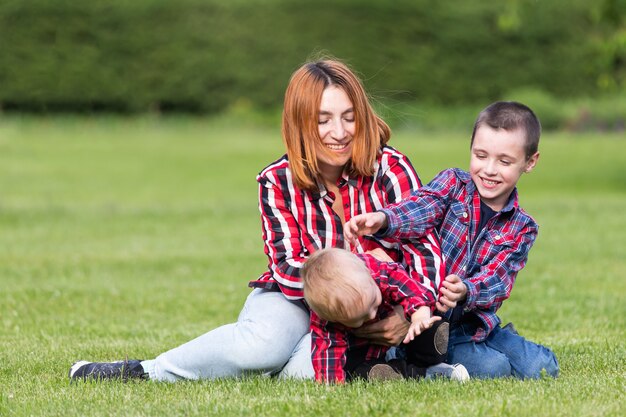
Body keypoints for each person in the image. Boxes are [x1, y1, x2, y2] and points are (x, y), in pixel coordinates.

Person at [69, 58, 450, 382]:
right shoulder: (276, 180)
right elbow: (286, 266)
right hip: (296, 297)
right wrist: (344, 295)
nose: (339, 133)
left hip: (381, 301)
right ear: (301, 124)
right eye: (323, 121)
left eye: (349, 118)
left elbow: (424, 249)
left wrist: (409, 310)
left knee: (308, 372)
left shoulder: (389, 167)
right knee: (261, 348)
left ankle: (327, 358)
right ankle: (146, 370)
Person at [344, 101, 559, 379]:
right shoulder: (452, 184)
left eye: (504, 161)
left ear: (529, 162)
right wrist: (385, 219)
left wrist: (467, 290)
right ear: (471, 149)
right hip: (427, 320)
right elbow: (420, 208)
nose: (489, 170)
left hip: (474, 324)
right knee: (494, 368)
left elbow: (499, 279)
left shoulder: (522, 227)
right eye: (481, 156)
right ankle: (411, 362)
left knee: (542, 367)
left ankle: (485, 346)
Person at [301, 247, 469, 383]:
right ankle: (403, 373)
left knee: (427, 326)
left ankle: (430, 340)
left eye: (374, 302)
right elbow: (327, 354)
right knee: (358, 372)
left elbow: (412, 289)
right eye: (359, 319)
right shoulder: (326, 320)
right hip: (367, 351)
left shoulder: (379, 271)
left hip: (407, 331)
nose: (372, 315)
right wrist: (332, 384)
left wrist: (420, 315)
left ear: (369, 275)